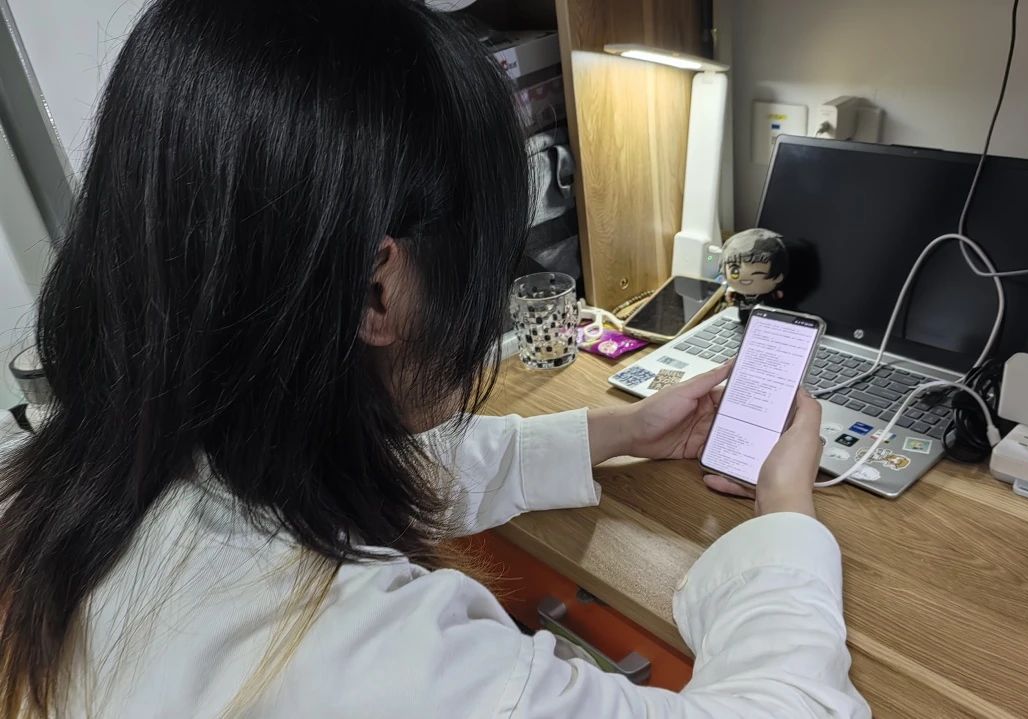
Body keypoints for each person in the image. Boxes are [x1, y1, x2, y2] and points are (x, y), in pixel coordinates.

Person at [0, 1, 869, 717]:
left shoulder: (74, 482)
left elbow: (365, 470)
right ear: (378, 292)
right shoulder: (372, 661)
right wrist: (788, 512)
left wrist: (624, 431)